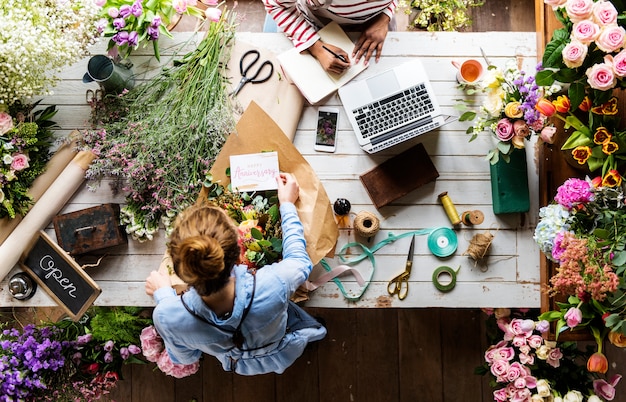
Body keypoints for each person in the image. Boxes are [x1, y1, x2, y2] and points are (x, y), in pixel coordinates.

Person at [145, 172, 327, 375]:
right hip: (282, 350)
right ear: (240, 252)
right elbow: (299, 261)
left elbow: (187, 357)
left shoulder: (167, 316)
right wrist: (286, 205)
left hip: (238, 363)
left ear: (179, 270)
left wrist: (164, 297)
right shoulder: (273, 284)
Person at [263, 0, 398, 74]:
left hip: (376, 25)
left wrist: (385, 16)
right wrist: (316, 47)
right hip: (316, 25)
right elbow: (275, 4)